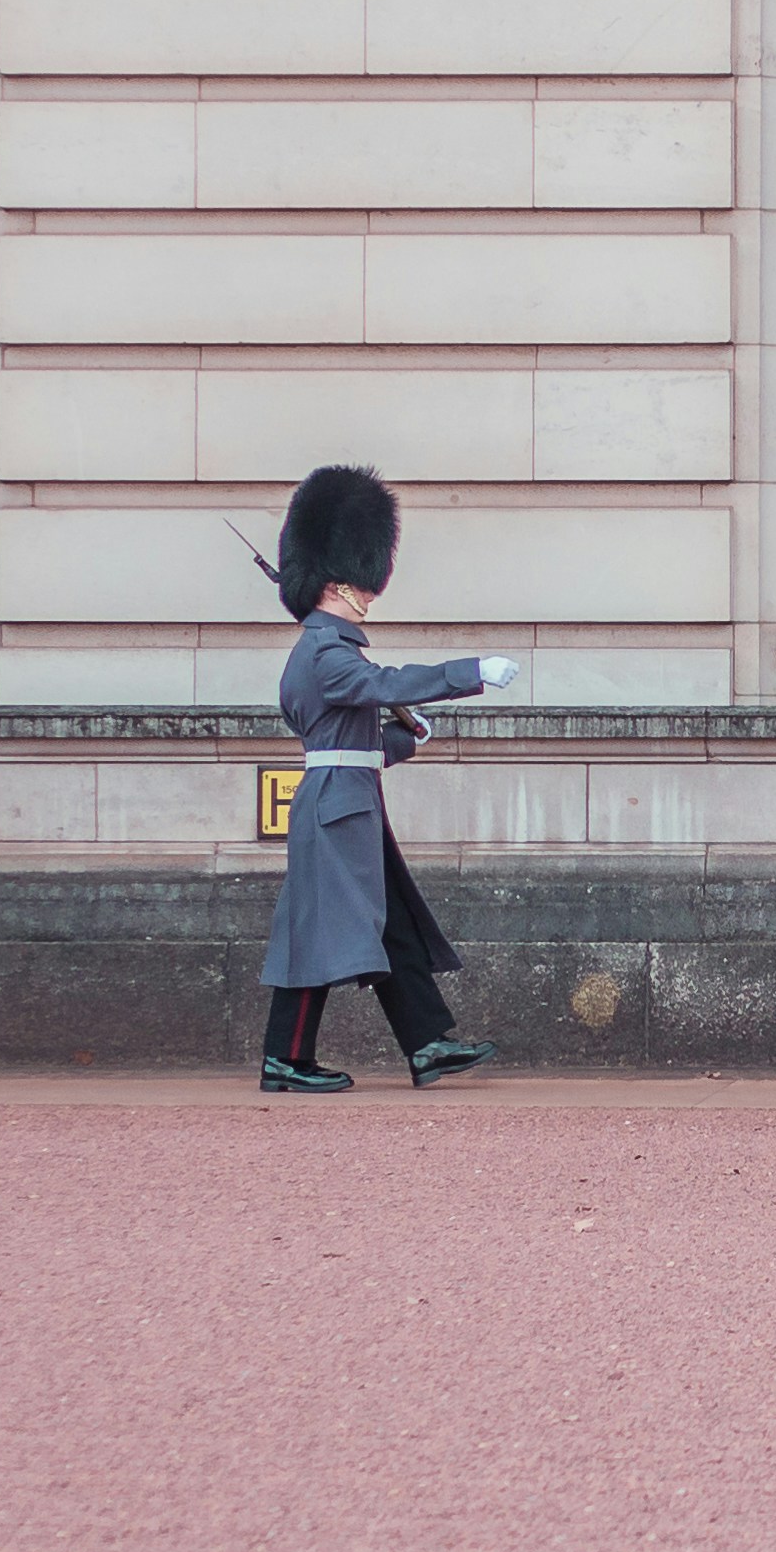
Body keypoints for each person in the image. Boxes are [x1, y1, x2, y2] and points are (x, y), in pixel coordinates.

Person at [257, 464, 520, 1094]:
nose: (371, 594)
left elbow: (357, 744)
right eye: (363, 585)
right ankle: (284, 1058)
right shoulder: (326, 654)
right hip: (336, 811)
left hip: (349, 804)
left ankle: (427, 1045)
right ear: (339, 583)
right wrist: (469, 671)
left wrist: (408, 737)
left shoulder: (328, 653)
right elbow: (385, 685)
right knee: (325, 932)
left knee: (389, 923)